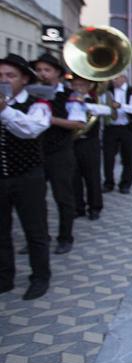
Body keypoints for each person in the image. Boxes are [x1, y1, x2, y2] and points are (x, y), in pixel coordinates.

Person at [0, 54, 52, 300]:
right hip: (2, 177)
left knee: (35, 230)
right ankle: (4, 277)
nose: (4, 80)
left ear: (23, 80)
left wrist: (5, 111)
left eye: (10, 76)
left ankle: (40, 277)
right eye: (0, 76)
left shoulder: (37, 104)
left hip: (28, 177)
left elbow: (31, 130)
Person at [31, 52, 84, 254]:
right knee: (35, 199)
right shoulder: (32, 93)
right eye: (39, 70)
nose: (42, 74)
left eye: (47, 70)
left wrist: (49, 119)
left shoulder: (71, 95)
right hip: (35, 151)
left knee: (63, 197)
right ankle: (39, 237)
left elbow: (78, 123)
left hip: (60, 152)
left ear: (58, 74)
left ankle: (65, 237)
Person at [69, 76, 110, 220]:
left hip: (90, 143)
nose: (78, 87)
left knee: (92, 177)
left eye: (82, 85)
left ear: (88, 87)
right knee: (74, 177)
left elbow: (107, 110)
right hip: (72, 143)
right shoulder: (67, 101)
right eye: (75, 84)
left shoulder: (94, 101)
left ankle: (95, 207)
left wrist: (85, 105)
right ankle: (78, 207)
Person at [103, 73, 132, 195]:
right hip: (111, 128)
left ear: (124, 78)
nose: (114, 80)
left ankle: (125, 184)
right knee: (108, 157)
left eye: (116, 77)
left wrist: (120, 106)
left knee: (128, 157)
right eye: (112, 78)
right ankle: (108, 182)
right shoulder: (107, 91)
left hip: (127, 128)